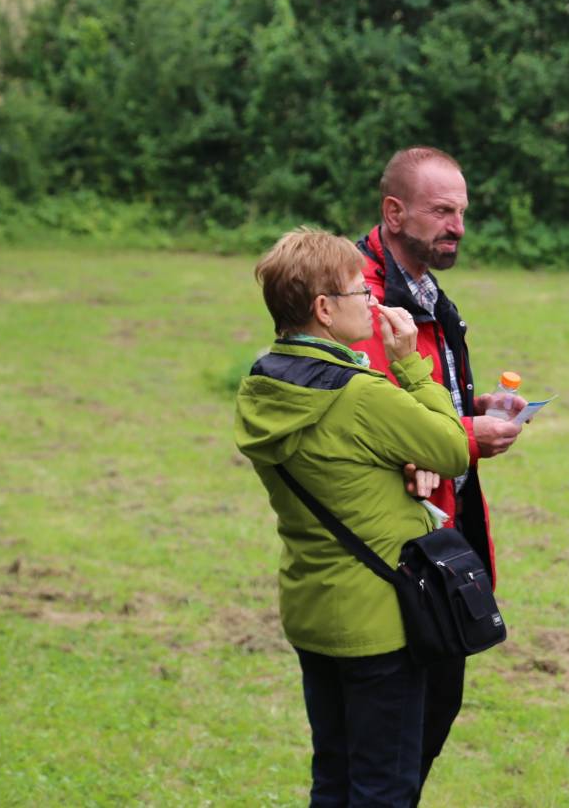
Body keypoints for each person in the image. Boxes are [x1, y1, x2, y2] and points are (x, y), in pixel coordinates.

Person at [234, 228, 471, 807]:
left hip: (314, 610)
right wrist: (412, 365)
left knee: (334, 778)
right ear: (323, 309)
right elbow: (453, 448)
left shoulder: (261, 386)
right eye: (359, 292)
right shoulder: (360, 396)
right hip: (379, 622)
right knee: (383, 789)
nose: (372, 302)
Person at [353, 146, 526, 797]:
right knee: (391, 749)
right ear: (394, 212)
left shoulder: (420, 287)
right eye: (442, 211)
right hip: (395, 552)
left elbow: (417, 388)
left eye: (462, 212)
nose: (457, 224)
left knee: (427, 718)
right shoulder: (361, 299)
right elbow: (377, 418)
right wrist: (467, 437)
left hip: (440, 535)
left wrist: (470, 404)